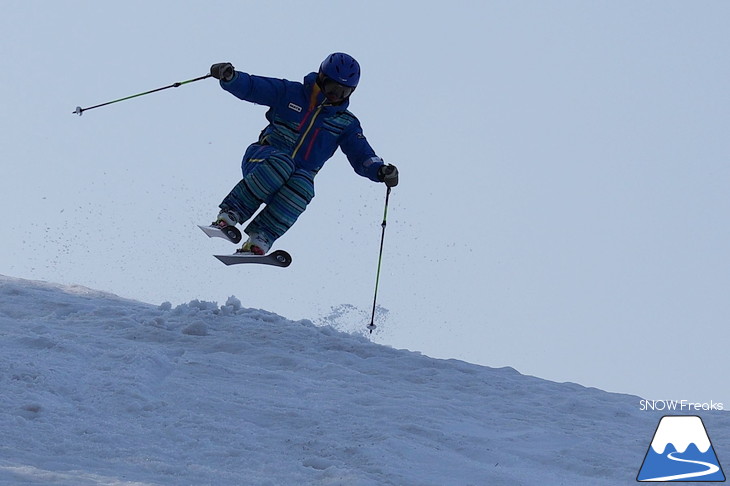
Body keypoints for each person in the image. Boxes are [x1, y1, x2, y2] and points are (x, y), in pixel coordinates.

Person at [208, 52, 399, 255]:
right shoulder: (290, 92)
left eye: (343, 92)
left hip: (295, 177)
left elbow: (361, 155)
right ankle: (230, 215)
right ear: (321, 78)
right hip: (264, 158)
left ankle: (260, 237)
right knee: (283, 164)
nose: (335, 95)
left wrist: (380, 170)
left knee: (304, 185)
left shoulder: (345, 123)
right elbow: (253, 87)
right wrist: (230, 77)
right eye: (332, 88)